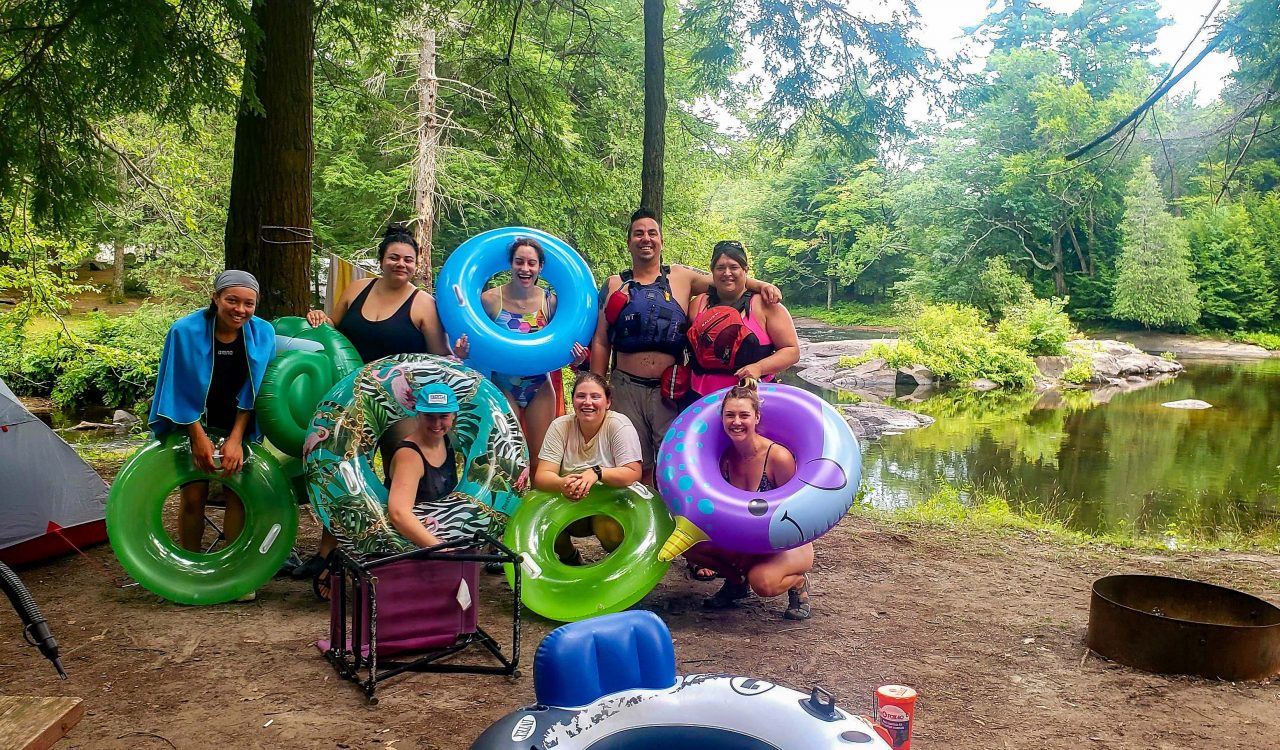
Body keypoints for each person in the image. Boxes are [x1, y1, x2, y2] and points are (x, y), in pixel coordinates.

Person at [298, 224, 466, 591]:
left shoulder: (423, 304)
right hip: (350, 403)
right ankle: (329, 551)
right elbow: (335, 334)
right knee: (338, 473)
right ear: (381, 260)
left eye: (408, 259)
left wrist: (460, 359)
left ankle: (396, 551)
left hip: (402, 406)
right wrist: (319, 318)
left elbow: (438, 356)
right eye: (394, 257)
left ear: (418, 265)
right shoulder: (356, 290)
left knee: (402, 474)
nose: (400, 264)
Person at [591, 208, 782, 486]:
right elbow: (600, 340)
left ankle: (674, 523)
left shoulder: (683, 278)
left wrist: (762, 284)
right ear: (629, 241)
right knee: (633, 463)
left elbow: (726, 277)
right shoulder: (613, 285)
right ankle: (642, 526)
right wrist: (599, 388)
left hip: (670, 390)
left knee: (673, 461)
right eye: (638, 233)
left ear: (661, 241)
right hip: (624, 387)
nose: (646, 239)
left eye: (652, 233)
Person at [148, 271, 275, 575]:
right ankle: (189, 570)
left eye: (249, 304)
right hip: (190, 421)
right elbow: (177, 385)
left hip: (237, 421)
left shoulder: (263, 333)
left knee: (237, 492)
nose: (240, 310)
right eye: (232, 300)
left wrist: (236, 439)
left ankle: (230, 572)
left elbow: (255, 390)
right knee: (193, 496)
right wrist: (198, 437)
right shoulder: (184, 331)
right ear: (216, 298)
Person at [681, 383, 814, 620]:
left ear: (757, 417)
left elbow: (796, 510)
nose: (737, 422)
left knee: (764, 583)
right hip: (743, 539)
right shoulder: (723, 460)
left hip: (786, 541)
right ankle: (736, 583)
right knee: (692, 547)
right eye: (730, 415)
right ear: (722, 418)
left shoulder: (777, 457)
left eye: (744, 415)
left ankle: (797, 583)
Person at [477, 237, 588, 461]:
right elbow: (475, 340)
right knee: (508, 459)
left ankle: (539, 496)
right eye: (519, 262)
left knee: (542, 459)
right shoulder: (490, 300)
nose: (525, 269)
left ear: (541, 267)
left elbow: (564, 345)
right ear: (510, 264)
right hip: (502, 385)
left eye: (531, 263)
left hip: (540, 387)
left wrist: (576, 359)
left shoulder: (551, 302)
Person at [533, 372, 643, 565]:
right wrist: (561, 483)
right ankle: (570, 558)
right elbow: (542, 476)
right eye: (581, 396)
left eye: (595, 396)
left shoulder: (619, 426)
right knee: (545, 525)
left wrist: (598, 472)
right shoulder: (560, 427)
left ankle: (622, 568)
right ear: (573, 399)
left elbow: (633, 473)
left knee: (610, 532)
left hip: (611, 506)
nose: (587, 402)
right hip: (571, 504)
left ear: (608, 402)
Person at [687, 240, 800, 399]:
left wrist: (759, 368)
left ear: (745, 270)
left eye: (734, 267)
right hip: (701, 398)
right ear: (712, 271)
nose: (727, 273)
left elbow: (792, 351)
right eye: (720, 268)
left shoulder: (767, 304)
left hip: (752, 398)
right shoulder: (697, 304)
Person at [384, 384, 466, 547]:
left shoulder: (445, 440)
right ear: (418, 415)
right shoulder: (409, 457)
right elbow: (398, 513)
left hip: (440, 533)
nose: (436, 424)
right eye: (429, 416)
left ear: (453, 416)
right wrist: (441, 549)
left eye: (443, 416)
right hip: (411, 544)